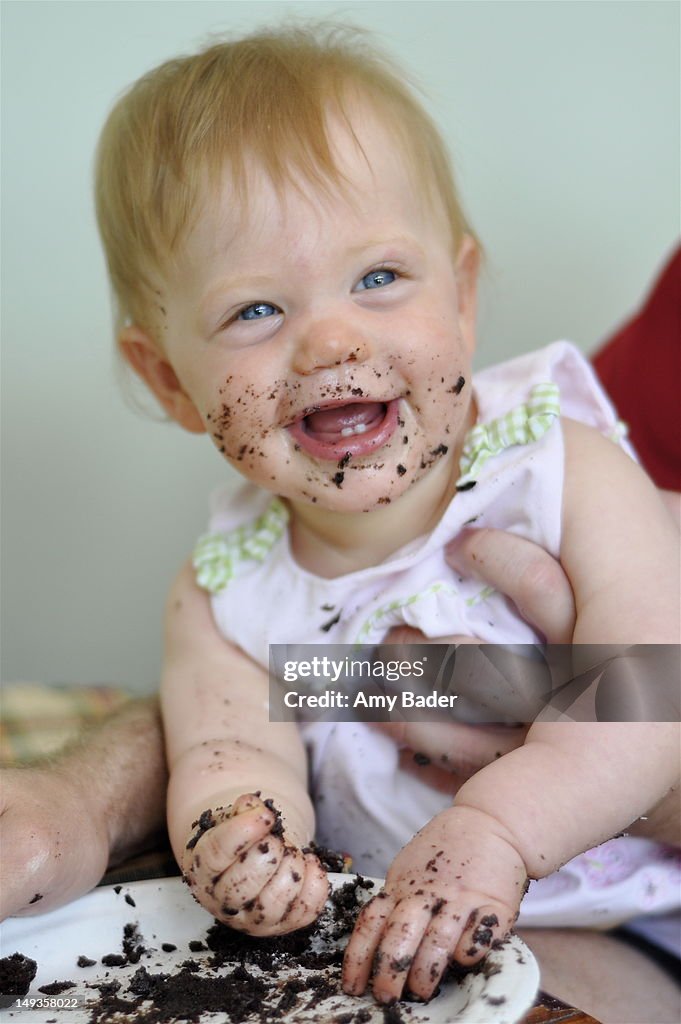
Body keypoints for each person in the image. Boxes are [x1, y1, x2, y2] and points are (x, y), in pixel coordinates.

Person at [2, 24, 679, 1023]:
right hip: (371, 930)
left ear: (463, 294)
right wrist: (232, 833)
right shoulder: (229, 584)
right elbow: (229, 748)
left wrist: (496, 828)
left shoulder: (556, 461)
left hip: (624, 915)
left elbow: (649, 689)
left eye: (376, 279)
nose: (329, 337)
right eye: (254, 311)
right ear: (168, 380)